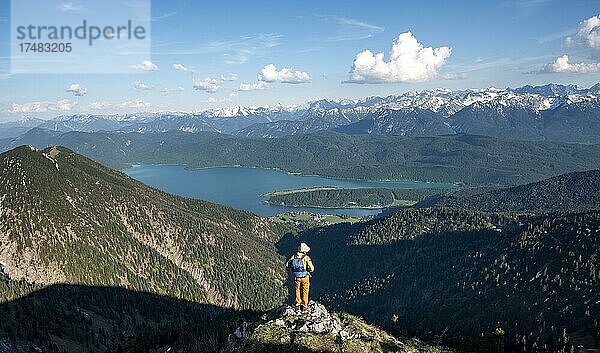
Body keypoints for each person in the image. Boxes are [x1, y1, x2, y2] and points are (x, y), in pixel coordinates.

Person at [286, 242, 314, 308]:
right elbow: (312, 269)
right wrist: (308, 269)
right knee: (305, 289)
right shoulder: (306, 257)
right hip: (305, 276)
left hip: (296, 276)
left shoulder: (294, 256)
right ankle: (304, 304)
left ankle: (297, 302)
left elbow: (287, 264)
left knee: (297, 289)